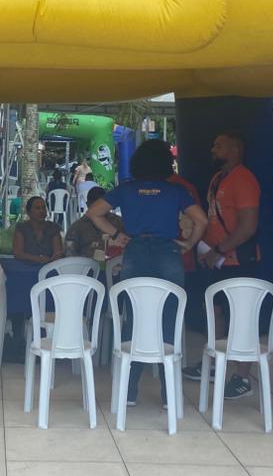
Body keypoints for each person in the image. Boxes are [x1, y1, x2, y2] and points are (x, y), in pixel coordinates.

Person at [86, 139, 207, 407]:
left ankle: (129, 392)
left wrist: (117, 235)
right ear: (166, 163)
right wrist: (189, 243)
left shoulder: (127, 190)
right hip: (168, 254)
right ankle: (168, 394)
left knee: (135, 317)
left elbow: (94, 213)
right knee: (169, 319)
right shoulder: (176, 191)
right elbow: (202, 220)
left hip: (136, 252)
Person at [184, 131, 262, 400]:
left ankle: (242, 377)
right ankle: (216, 363)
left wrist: (220, 250)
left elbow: (248, 226)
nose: (213, 149)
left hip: (237, 260)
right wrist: (206, 249)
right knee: (215, 311)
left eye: (219, 145)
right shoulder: (218, 178)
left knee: (241, 316)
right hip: (214, 258)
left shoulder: (245, 179)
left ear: (235, 149)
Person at [64, 186, 122, 258]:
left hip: (114, 263)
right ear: (88, 205)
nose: (98, 209)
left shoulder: (119, 222)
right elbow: (70, 255)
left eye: (100, 205)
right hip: (87, 264)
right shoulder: (77, 228)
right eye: (95, 205)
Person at [12, 195, 64, 265]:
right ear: (28, 212)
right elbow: (18, 253)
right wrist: (36, 259)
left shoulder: (53, 228)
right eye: (37, 208)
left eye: (43, 208)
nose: (41, 211)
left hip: (49, 266)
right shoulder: (21, 228)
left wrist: (49, 260)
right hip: (25, 267)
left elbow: (58, 252)